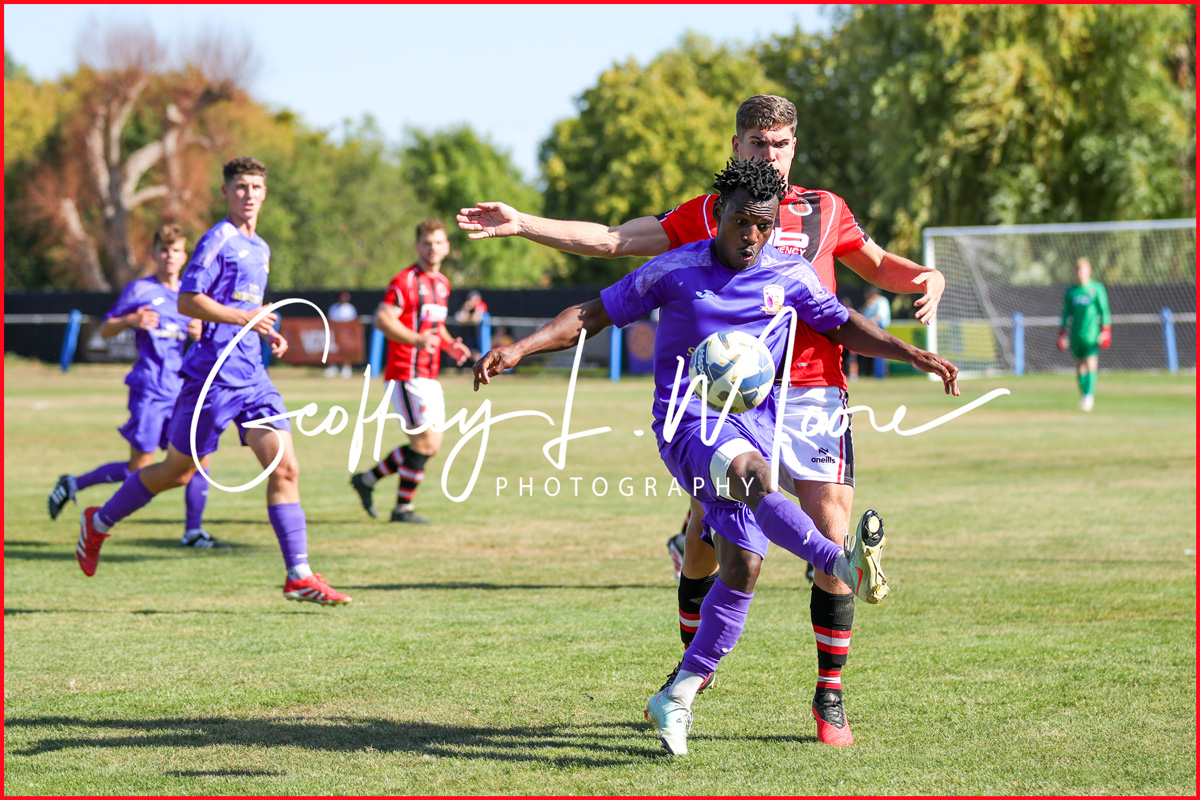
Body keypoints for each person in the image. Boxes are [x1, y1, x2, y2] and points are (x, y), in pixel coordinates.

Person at [457, 94, 946, 745]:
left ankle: (801, 689)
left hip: (804, 398)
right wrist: (524, 225)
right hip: (705, 411)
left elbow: (873, 276)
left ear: (792, 148)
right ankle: (796, 591)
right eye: (755, 143)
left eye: (777, 144)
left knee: (748, 557)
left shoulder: (821, 216)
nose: (766, 155)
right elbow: (609, 243)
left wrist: (923, 287)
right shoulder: (701, 220)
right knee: (718, 533)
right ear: (736, 147)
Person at [74, 156, 352, 605]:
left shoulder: (261, 248)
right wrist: (243, 317)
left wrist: (268, 330)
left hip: (252, 377)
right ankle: (99, 522)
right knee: (175, 473)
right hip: (211, 379)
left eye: (256, 187)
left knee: (286, 467)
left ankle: (298, 574)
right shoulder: (215, 240)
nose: (248, 195)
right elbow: (187, 300)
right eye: (240, 187)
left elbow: (246, 309)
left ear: (265, 193)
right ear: (226, 192)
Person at [47, 224, 217, 548]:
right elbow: (106, 330)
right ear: (154, 254)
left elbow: (205, 340)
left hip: (182, 392)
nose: (169, 257)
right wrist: (130, 320)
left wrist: (201, 333)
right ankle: (73, 484)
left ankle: (193, 532)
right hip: (150, 390)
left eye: (176, 251)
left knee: (199, 461)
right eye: (164, 251)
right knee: (138, 469)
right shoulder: (140, 291)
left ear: (184, 257)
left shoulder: (191, 297)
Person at [350, 220, 471, 523]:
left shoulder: (442, 283)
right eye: (427, 243)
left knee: (430, 445)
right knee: (425, 443)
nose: (433, 248)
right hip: (405, 373)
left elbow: (435, 325)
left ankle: (367, 480)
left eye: (438, 243)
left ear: (447, 247)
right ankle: (402, 508)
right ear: (417, 246)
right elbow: (382, 319)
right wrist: (417, 340)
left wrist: (448, 345)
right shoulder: (405, 281)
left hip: (429, 375)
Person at [1057, 257, 1111, 412]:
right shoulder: (1072, 292)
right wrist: (1062, 333)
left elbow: (1104, 311)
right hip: (1076, 335)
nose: (1080, 273)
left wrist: (1106, 331)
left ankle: (1089, 396)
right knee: (1080, 366)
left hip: (1091, 335)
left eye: (1083, 270)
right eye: (1078, 270)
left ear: (1089, 271)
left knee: (1091, 363)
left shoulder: (1096, 289)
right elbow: (1065, 313)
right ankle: (1084, 396)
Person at [860, 286, 892, 378]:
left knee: (880, 352)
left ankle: (881, 374)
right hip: (869, 329)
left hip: (879, 329)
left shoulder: (881, 301)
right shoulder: (870, 303)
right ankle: (869, 372)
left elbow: (879, 316)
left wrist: (869, 324)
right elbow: (862, 314)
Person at [325, 292, 359, 378]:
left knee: (346, 349)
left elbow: (353, 321)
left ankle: (346, 368)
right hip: (335, 332)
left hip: (346, 334)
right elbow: (330, 320)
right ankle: (333, 367)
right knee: (333, 349)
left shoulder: (350, 308)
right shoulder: (334, 308)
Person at [454, 290, 489, 361]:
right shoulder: (468, 307)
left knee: (483, 353)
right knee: (473, 352)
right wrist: (465, 308)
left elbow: (476, 318)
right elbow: (459, 318)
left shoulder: (481, 305)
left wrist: (467, 319)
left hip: (481, 335)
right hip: (471, 334)